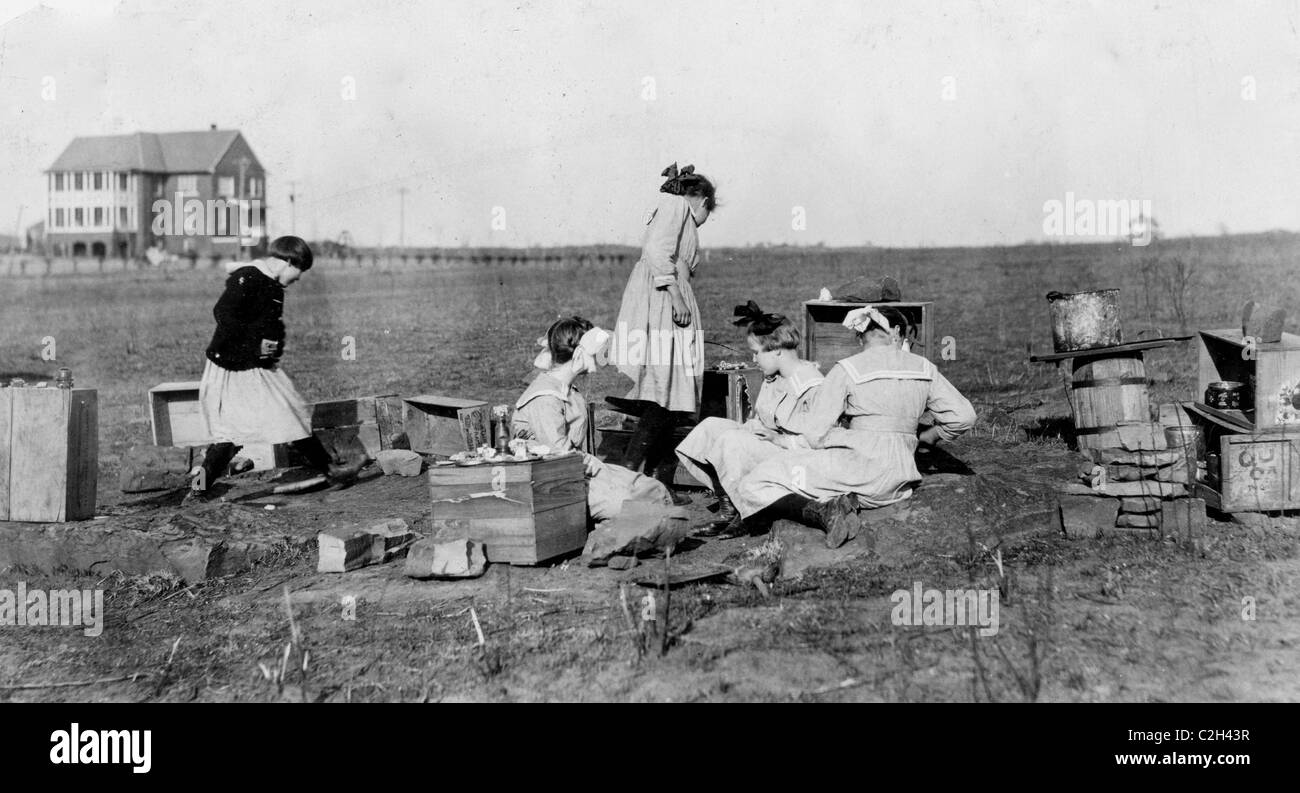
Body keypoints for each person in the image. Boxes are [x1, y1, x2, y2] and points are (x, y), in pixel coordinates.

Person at [728, 305, 977, 549]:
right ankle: (834, 503)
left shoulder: (847, 368)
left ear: (861, 337)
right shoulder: (924, 367)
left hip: (860, 472)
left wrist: (837, 437)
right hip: (901, 478)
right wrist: (929, 435)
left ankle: (822, 512)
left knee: (755, 482)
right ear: (894, 333)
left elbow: (815, 434)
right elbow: (964, 416)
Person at [185, 235, 365, 502]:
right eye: (299, 271)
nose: (299, 278)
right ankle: (197, 491)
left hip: (255, 367)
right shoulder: (249, 277)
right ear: (288, 261)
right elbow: (224, 314)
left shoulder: (273, 286)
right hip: (232, 367)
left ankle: (331, 471)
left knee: (288, 415)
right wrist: (253, 345)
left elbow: (271, 327)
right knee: (232, 432)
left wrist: (271, 347)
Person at [609, 162, 718, 502]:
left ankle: (658, 481)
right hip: (663, 302)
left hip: (668, 300)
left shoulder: (673, 210)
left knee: (671, 395)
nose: (704, 219)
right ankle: (630, 476)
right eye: (707, 213)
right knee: (663, 392)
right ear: (700, 201)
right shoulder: (676, 206)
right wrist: (675, 296)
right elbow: (656, 251)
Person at [675, 301, 824, 536]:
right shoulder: (774, 377)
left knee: (731, 441)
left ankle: (750, 513)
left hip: (795, 459)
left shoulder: (810, 383)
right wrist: (752, 430)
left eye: (756, 353)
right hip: (771, 446)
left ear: (776, 350)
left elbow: (819, 440)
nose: (754, 360)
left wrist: (777, 439)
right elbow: (761, 418)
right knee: (711, 427)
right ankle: (730, 507)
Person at [513, 316, 672, 521]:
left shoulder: (567, 389)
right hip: (554, 482)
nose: (597, 360)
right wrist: (603, 474)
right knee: (632, 505)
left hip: (580, 469)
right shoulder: (545, 398)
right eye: (593, 354)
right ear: (579, 354)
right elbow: (559, 458)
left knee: (652, 488)